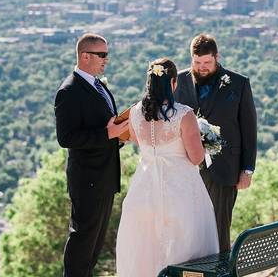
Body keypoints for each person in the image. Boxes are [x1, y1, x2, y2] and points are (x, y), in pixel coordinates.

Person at [115, 58, 219, 277]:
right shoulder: (184, 115)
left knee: (145, 248)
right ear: (173, 83)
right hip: (180, 192)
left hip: (143, 192)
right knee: (187, 247)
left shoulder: (134, 113)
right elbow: (196, 158)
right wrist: (203, 140)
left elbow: (138, 141)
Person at [174, 33, 257, 253]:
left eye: (207, 63)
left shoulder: (238, 83)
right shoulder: (178, 82)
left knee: (219, 231)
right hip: (185, 169)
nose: (202, 67)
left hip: (224, 169)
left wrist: (247, 170)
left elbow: (249, 130)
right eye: (197, 62)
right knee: (188, 231)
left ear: (217, 57)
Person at [55, 33, 130, 277]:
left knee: (94, 246)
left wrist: (120, 136)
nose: (106, 60)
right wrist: (107, 135)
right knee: (82, 240)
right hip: (87, 178)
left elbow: (105, 126)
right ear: (85, 56)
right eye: (102, 55)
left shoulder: (98, 85)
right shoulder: (69, 91)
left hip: (106, 176)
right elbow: (66, 138)